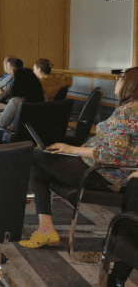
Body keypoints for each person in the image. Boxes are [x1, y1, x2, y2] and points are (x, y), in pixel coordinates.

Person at [19, 67, 138, 250]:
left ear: (131, 83)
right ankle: (46, 229)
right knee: (39, 166)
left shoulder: (128, 112)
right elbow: (114, 147)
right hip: (111, 172)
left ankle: (44, 229)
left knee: (30, 153)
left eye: (121, 78)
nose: (117, 81)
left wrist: (72, 149)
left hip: (103, 174)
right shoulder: (131, 109)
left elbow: (112, 154)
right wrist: (85, 147)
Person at [0, 68, 45, 143]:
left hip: (15, 140)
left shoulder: (15, 102)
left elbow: (2, 123)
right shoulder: (43, 99)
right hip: (37, 138)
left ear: (17, 84)